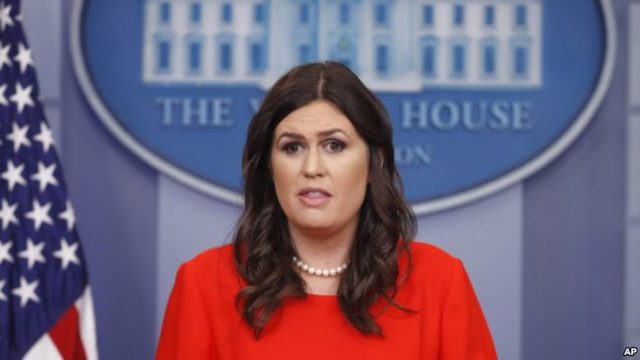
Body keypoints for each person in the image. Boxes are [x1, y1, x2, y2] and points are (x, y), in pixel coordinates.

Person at [156, 62, 497, 359]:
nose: (312, 167)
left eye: (334, 145)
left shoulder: (439, 281)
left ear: (373, 161)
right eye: (292, 147)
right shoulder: (202, 284)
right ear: (269, 167)